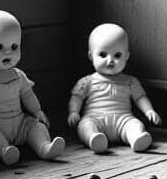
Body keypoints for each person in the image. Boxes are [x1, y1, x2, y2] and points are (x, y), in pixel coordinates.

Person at [0, 9, 65, 164]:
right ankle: (3, 151)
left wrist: (36, 110)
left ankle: (44, 147)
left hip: (19, 123)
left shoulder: (18, 75)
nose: (8, 52)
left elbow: (28, 95)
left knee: (35, 126)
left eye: (14, 46)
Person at [68, 23, 162, 152]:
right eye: (103, 55)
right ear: (91, 56)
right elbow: (77, 98)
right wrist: (74, 112)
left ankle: (136, 139)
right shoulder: (87, 81)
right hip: (95, 118)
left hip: (123, 119)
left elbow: (140, 98)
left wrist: (149, 110)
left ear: (127, 56)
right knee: (84, 125)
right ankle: (94, 138)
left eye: (117, 55)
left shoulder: (130, 81)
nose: (110, 60)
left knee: (135, 124)